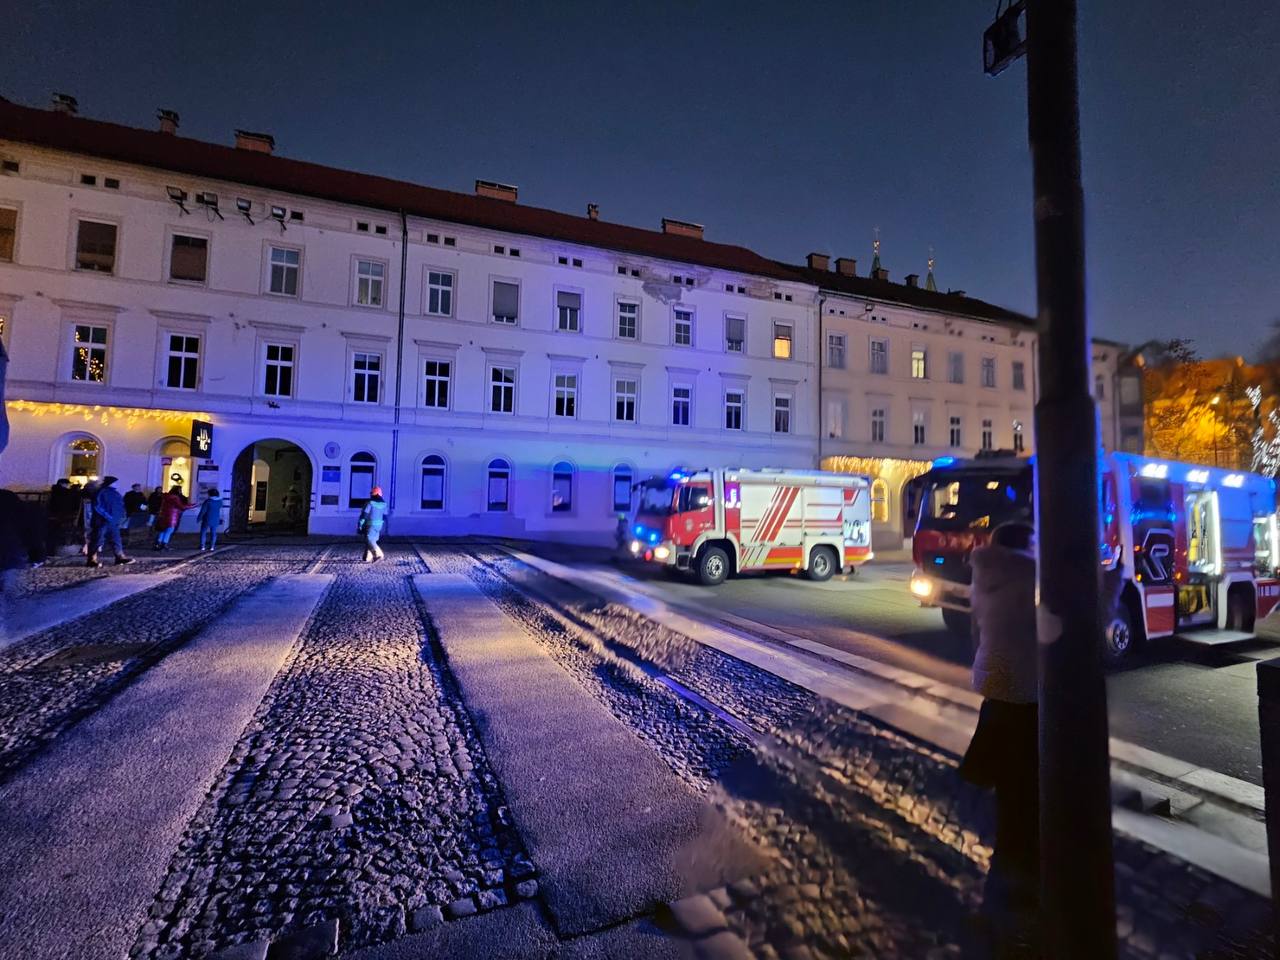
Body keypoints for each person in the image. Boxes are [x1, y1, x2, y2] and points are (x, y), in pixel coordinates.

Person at [958, 520, 1038, 937]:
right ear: (1027, 545)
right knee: (1027, 801)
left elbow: (976, 634)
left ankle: (1001, 896)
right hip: (1026, 699)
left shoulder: (984, 575)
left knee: (1012, 800)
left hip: (995, 695)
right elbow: (1061, 630)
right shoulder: (1029, 578)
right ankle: (1019, 905)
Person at [1, 488, 45, 637]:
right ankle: (8, 628)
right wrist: (37, 553)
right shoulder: (9, 499)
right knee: (8, 593)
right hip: (8, 555)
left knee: (8, 593)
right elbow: (28, 528)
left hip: (7, 554)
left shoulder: (8, 499)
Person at [87, 475, 134, 567]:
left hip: (113, 522)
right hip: (102, 521)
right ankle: (92, 559)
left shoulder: (116, 493)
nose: (117, 484)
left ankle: (120, 557)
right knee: (97, 539)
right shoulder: (101, 492)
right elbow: (97, 506)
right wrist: (107, 516)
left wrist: (122, 516)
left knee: (116, 539)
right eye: (115, 482)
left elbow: (120, 505)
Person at [153, 485, 194, 551]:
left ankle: (158, 544)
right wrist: (192, 506)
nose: (180, 491)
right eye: (180, 490)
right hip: (172, 516)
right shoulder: (175, 498)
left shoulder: (165, 496)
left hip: (163, 516)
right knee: (169, 531)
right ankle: (164, 544)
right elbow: (181, 507)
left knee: (162, 530)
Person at [46, 478, 80, 554]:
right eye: (68, 484)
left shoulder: (53, 492)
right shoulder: (66, 493)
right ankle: (57, 550)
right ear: (63, 484)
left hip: (53, 516)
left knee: (52, 534)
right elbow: (72, 503)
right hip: (64, 516)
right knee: (61, 534)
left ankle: (50, 550)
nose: (69, 486)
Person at [357, 486, 388, 562]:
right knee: (373, 539)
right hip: (379, 525)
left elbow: (364, 515)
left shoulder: (370, 503)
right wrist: (380, 523)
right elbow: (385, 516)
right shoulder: (384, 504)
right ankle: (367, 557)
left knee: (369, 539)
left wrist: (360, 525)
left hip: (370, 524)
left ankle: (378, 554)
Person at [196, 486, 223, 552]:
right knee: (213, 533)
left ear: (209, 494)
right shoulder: (220, 501)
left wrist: (199, 518)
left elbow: (203, 511)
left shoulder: (208, 501)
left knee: (203, 532)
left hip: (206, 519)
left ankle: (202, 546)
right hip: (215, 519)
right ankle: (212, 547)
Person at [122, 483, 147, 547]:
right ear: (133, 487)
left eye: (139, 487)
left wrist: (144, 507)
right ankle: (130, 541)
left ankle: (138, 540)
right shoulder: (129, 494)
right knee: (131, 527)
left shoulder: (141, 494)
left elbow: (144, 502)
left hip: (140, 513)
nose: (138, 488)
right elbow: (126, 503)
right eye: (137, 487)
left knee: (139, 527)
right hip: (132, 513)